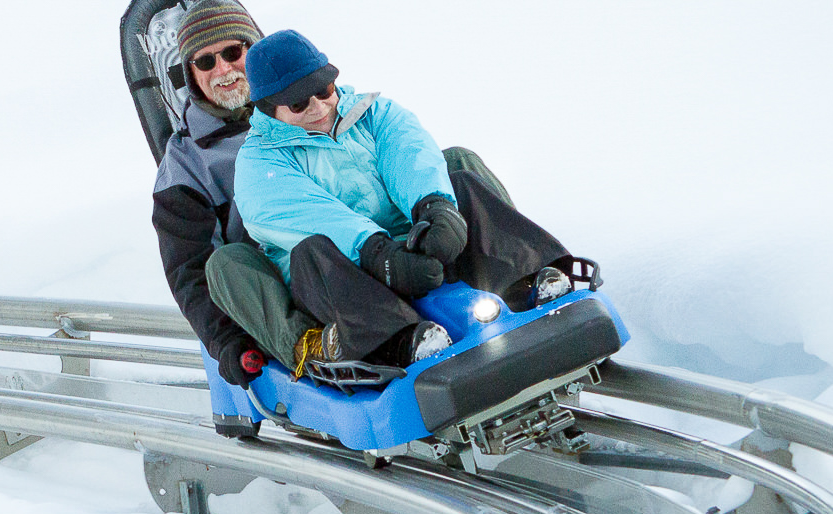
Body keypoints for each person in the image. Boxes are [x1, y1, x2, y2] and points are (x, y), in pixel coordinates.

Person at [235, 29, 577, 375]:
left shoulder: (371, 111)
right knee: (312, 251)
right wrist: (377, 254)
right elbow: (313, 215)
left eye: (324, 90)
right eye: (299, 103)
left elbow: (409, 154)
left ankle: (525, 284)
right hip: (347, 275)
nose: (319, 106)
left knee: (460, 181)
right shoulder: (259, 163)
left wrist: (435, 208)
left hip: (409, 249)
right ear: (269, 109)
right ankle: (399, 342)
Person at [149, 0, 318, 386]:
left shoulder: (307, 105)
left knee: (454, 164)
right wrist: (228, 342)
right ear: (191, 74)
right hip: (283, 291)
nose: (222, 69)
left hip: (356, 257)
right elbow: (191, 272)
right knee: (238, 241)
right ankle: (318, 351)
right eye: (206, 61)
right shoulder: (185, 167)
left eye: (232, 51)